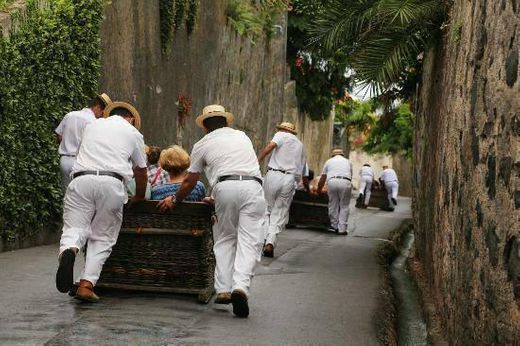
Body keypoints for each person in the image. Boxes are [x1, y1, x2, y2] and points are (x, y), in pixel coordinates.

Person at [157, 104, 265, 318]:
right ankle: (241, 286)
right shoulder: (242, 137)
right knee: (249, 239)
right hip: (253, 186)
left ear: (205, 127)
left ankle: (224, 289)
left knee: (225, 238)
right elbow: (240, 166)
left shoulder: (202, 144)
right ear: (226, 122)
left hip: (224, 187)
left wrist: (175, 199)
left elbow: (190, 180)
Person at [55, 101, 147, 302]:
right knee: (102, 236)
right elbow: (141, 170)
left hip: (81, 178)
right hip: (111, 182)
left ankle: (69, 250)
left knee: (74, 227)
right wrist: (139, 196)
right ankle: (86, 285)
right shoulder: (133, 133)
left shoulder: (91, 126)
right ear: (130, 118)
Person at [258, 121, 308, 258]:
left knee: (267, 209)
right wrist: (296, 183)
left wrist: (258, 160)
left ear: (282, 129)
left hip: (274, 174)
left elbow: (271, 146)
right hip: (290, 179)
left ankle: (264, 240)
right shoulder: (300, 145)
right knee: (279, 212)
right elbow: (302, 168)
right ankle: (270, 242)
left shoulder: (281, 135)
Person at [55, 93, 112, 189]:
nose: (102, 116)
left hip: (64, 161)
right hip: (82, 162)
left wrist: (68, 143)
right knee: (80, 195)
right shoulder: (94, 122)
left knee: (67, 193)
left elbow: (59, 136)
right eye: (102, 113)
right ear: (98, 107)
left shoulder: (70, 115)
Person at [316, 148, 353, 235]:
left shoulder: (329, 161)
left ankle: (335, 225)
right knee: (344, 206)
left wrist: (319, 190)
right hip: (345, 181)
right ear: (342, 155)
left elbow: (323, 178)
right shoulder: (348, 162)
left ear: (333, 155)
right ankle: (342, 229)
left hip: (332, 181)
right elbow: (350, 175)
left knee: (333, 204)